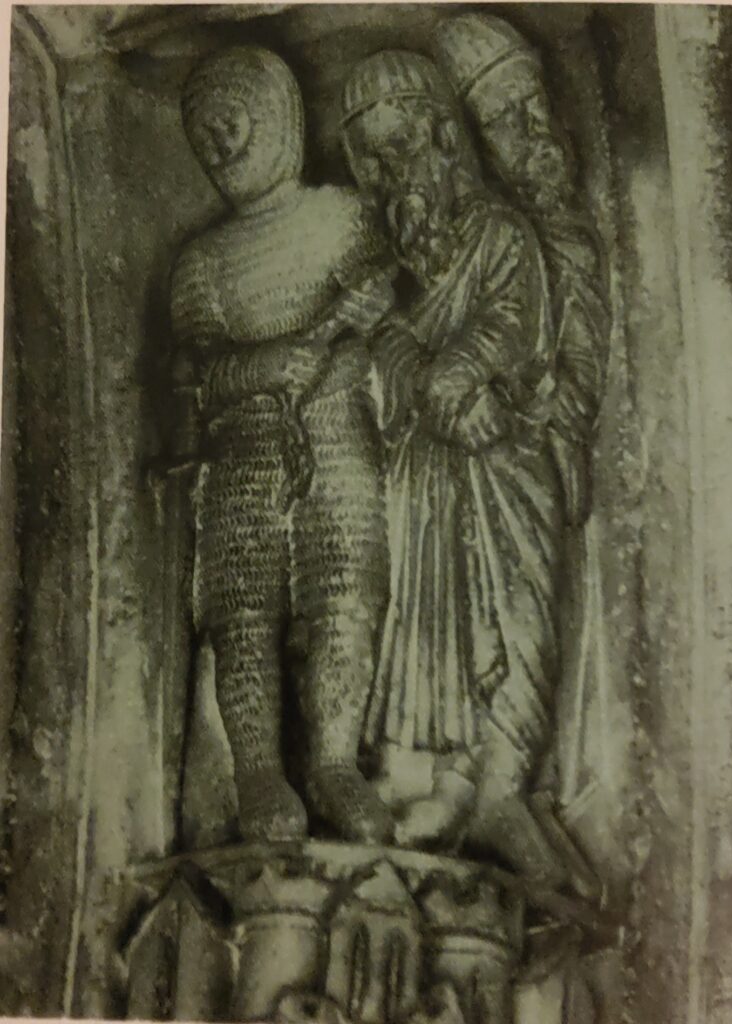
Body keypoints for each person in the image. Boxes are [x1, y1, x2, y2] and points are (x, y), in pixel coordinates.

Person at [341, 49, 595, 908]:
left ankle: (503, 787)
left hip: (505, 466)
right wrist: (407, 358)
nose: (392, 173)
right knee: (425, 624)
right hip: (426, 480)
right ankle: (439, 779)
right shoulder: (392, 270)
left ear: (444, 139)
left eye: (403, 145)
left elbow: (510, 327)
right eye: (374, 159)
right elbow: (388, 374)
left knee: (517, 615)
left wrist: (447, 372)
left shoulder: (498, 234)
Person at [170, 46, 394, 844]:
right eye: (203, 135)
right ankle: (258, 770)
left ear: (275, 119)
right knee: (242, 611)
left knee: (345, 595)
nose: (217, 144)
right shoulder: (202, 264)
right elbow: (191, 375)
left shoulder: (342, 218)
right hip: (244, 448)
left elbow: (388, 307)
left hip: (336, 428)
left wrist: (360, 326)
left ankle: (334, 762)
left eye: (229, 123)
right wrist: (258, 366)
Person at [433, 13, 610, 528]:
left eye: (534, 102)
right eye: (501, 120)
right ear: (474, 149)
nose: (532, 128)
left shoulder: (574, 231)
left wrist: (565, 418)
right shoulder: (480, 244)